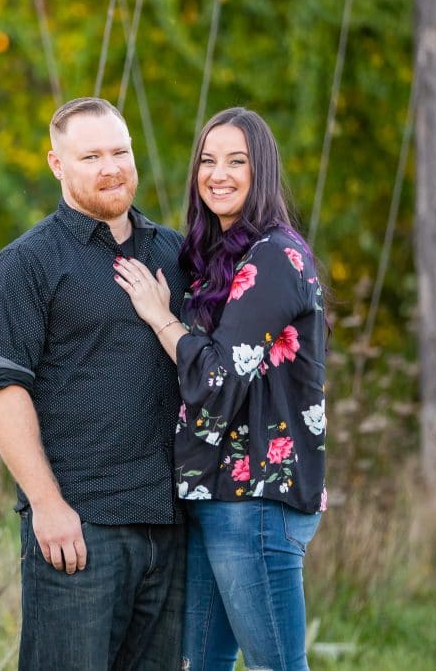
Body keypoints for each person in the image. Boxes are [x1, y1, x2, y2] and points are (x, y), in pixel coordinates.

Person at [0, 97, 189, 670]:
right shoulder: (26, 265)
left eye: (120, 151)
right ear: (56, 164)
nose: (110, 167)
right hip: (79, 528)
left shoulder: (176, 252)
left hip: (171, 526)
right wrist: (46, 505)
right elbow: (3, 391)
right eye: (90, 155)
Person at [114, 107, 327, 671]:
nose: (219, 173)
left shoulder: (274, 256)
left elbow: (218, 380)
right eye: (207, 161)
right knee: (198, 665)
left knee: (276, 666)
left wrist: (161, 318)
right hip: (214, 497)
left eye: (237, 161)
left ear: (263, 171)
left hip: (257, 498)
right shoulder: (219, 259)